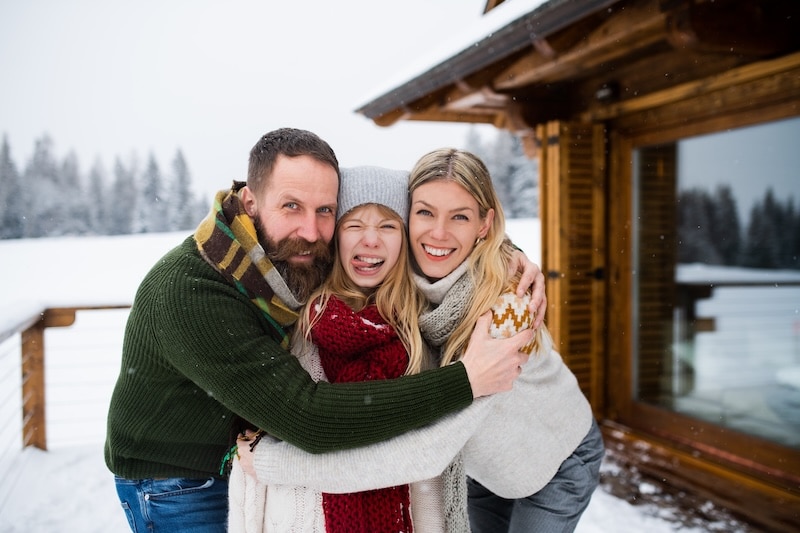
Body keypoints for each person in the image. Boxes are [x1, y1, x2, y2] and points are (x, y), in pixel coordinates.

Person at [104, 128, 545, 533]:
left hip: (243, 452)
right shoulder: (191, 292)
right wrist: (464, 380)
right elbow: (307, 416)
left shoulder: (296, 253)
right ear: (251, 203)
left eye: (326, 210)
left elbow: (429, 232)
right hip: (177, 481)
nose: (311, 229)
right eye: (291, 206)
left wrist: (503, 252)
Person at [238, 147, 604, 532]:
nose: (438, 233)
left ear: (484, 224)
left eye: (459, 217)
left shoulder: (505, 312)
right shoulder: (403, 266)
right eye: (425, 212)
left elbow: (424, 451)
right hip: (484, 463)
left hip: (555, 458)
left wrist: (273, 464)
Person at [230, 165, 455, 532]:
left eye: (387, 226)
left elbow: (426, 477)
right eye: (354, 225)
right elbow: (253, 467)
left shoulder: (421, 330)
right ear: (335, 237)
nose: (371, 241)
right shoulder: (298, 324)